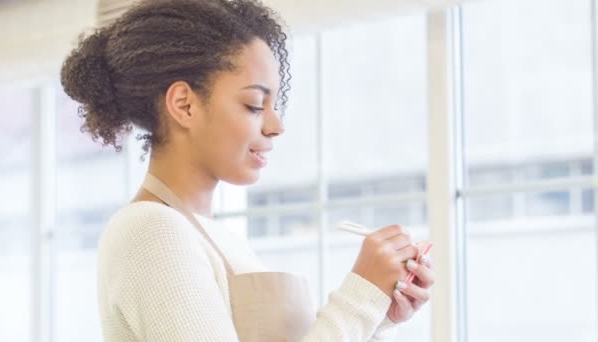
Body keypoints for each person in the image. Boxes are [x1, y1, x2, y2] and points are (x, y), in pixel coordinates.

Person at [59, 0, 435, 341]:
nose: (276, 126)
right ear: (185, 105)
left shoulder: (215, 238)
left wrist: (376, 313)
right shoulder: (150, 231)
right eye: (255, 105)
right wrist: (359, 300)